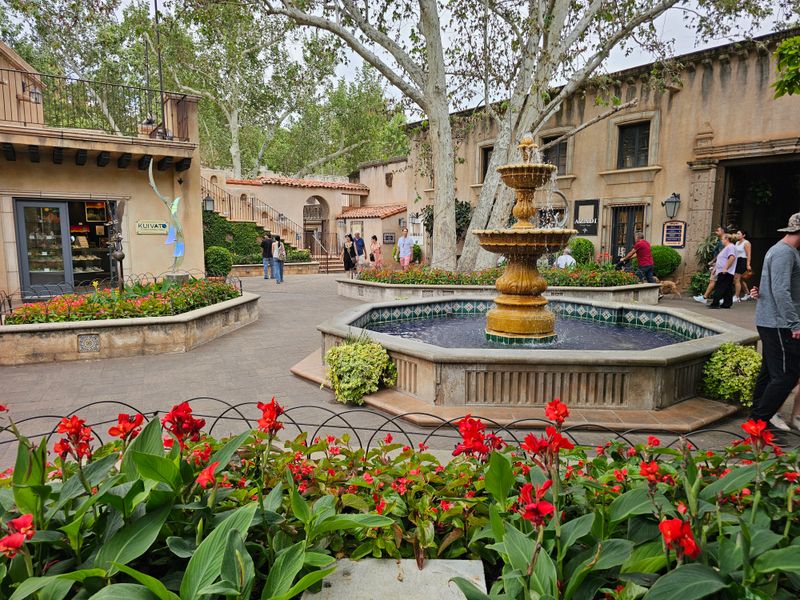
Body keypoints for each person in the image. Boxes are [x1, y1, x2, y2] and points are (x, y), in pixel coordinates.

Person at [748, 211, 800, 437]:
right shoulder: (784, 253)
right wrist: (795, 324)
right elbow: (781, 290)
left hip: (773, 321)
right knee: (787, 374)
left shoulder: (781, 251)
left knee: (770, 373)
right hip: (779, 323)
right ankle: (759, 420)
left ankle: (756, 418)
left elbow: (771, 285)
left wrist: (757, 292)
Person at [694, 226, 726, 303]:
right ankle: (721, 298)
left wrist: (713, 262)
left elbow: (721, 254)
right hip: (719, 264)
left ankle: (705, 297)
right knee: (718, 281)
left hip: (719, 264)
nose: (716, 232)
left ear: (723, 231)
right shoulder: (721, 241)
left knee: (713, 280)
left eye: (718, 230)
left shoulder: (723, 242)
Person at [708, 233, 736, 309]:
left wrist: (725, 268)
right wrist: (715, 268)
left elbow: (732, 257)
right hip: (723, 270)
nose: (721, 241)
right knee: (727, 288)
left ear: (727, 239)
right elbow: (721, 259)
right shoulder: (727, 247)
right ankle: (727, 303)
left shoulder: (730, 247)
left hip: (726, 271)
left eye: (722, 239)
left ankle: (715, 303)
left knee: (719, 287)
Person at [733, 229, 752, 302]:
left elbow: (748, 254)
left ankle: (737, 296)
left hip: (743, 261)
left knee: (736, 279)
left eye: (739, 234)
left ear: (743, 235)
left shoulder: (746, 243)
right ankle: (747, 294)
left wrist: (748, 264)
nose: (737, 235)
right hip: (737, 260)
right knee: (740, 279)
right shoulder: (737, 243)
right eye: (737, 234)